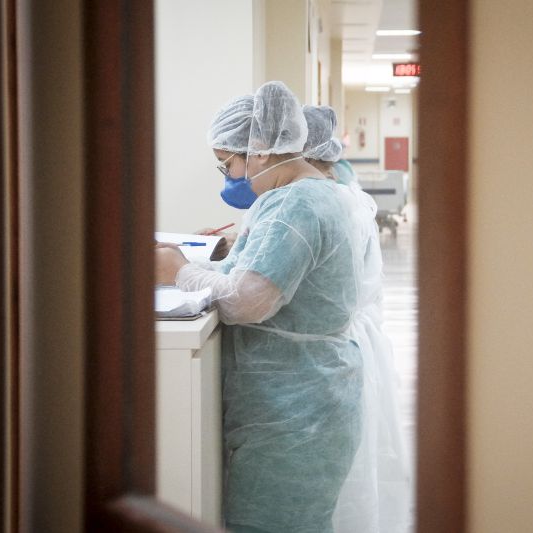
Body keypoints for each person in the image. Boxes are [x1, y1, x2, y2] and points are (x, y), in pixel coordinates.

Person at [155, 81, 368, 533]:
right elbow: (246, 272)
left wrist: (176, 270)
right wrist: (196, 257)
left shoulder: (296, 204)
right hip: (302, 401)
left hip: (294, 410)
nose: (229, 176)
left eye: (227, 164)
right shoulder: (305, 195)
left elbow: (248, 301)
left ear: (259, 150)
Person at [301, 106, 413, 533]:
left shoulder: (326, 204)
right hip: (352, 348)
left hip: (334, 353)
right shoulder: (345, 196)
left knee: (339, 485)